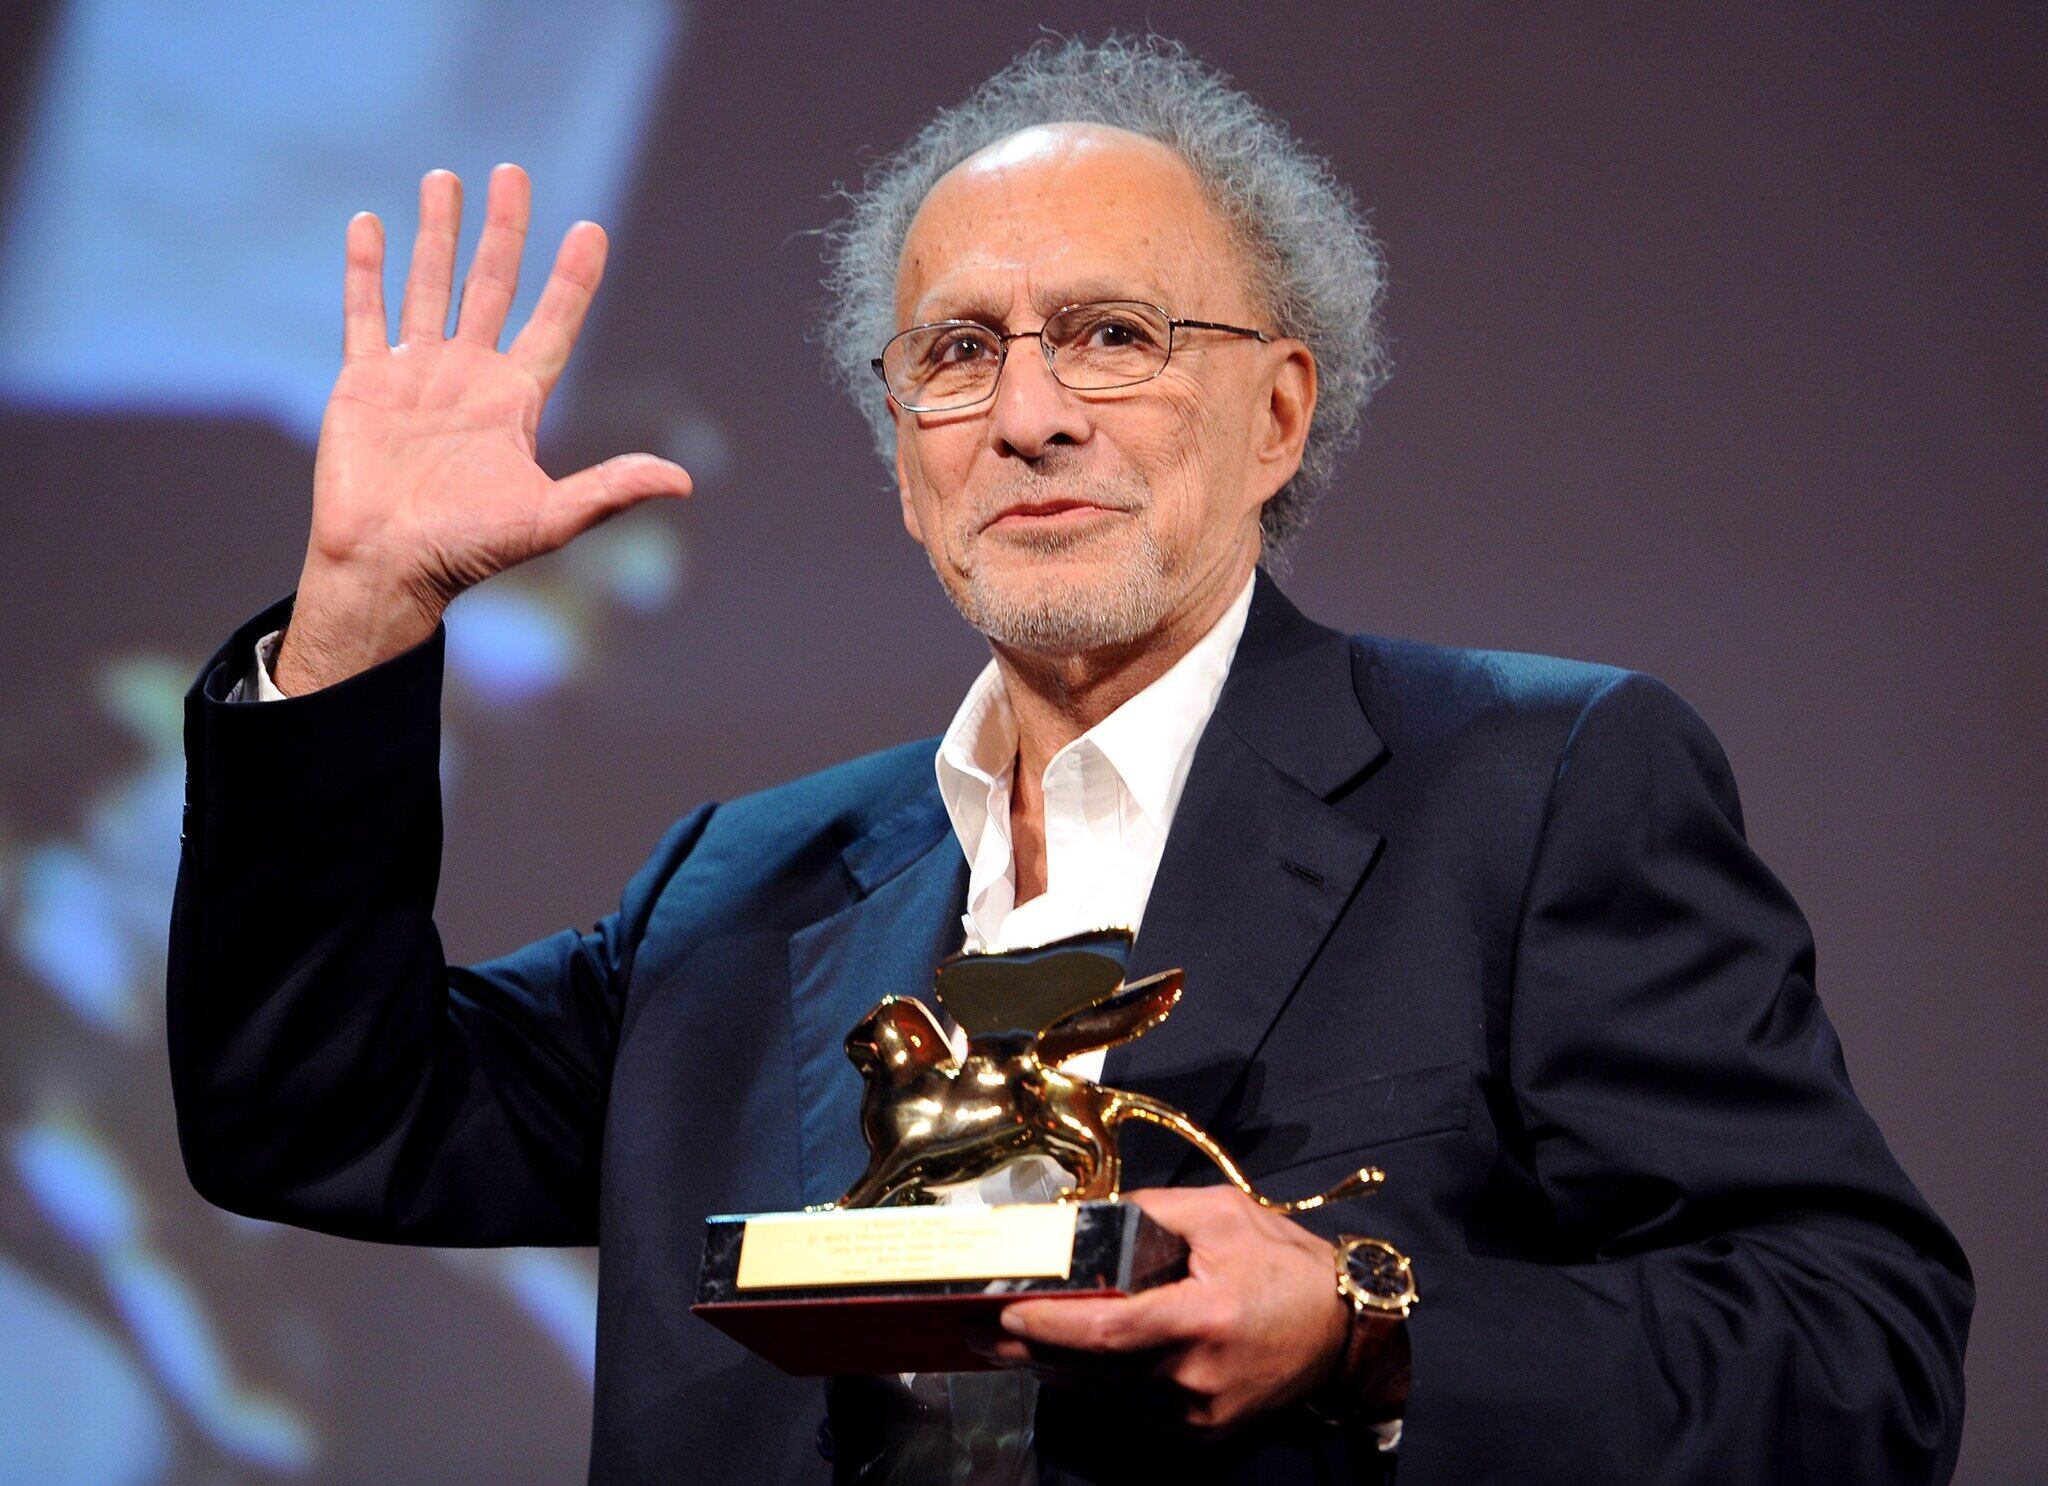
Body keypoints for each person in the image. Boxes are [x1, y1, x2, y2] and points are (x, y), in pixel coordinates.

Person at [167, 33, 1971, 1486]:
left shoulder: (1539, 781)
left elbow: (1855, 1352)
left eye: (1112, 335)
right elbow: (317, 1110)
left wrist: (1371, 1326)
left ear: (1277, 410)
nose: (1027, 411)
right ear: (903, 451)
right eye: (958, 354)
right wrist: (356, 612)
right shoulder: (739, 885)